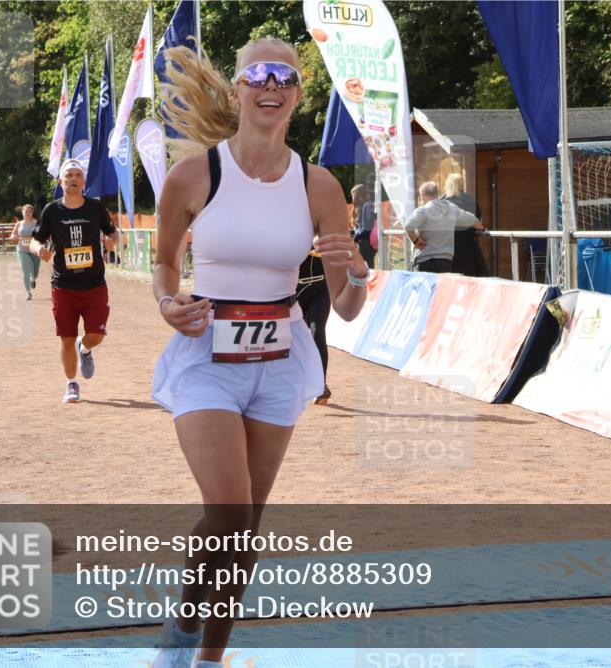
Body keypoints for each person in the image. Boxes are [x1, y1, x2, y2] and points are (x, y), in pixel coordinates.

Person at [149, 38, 368, 668]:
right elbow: (165, 263)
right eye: (258, 75)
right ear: (239, 88)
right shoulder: (194, 175)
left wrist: (355, 271)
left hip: (279, 360)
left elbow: (346, 307)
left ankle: (211, 660)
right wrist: (168, 303)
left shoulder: (320, 186)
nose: (271, 85)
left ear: (299, 95)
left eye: (286, 76)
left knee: (244, 528)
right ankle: (175, 649)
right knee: (228, 512)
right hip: (205, 354)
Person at [33, 159, 118, 403]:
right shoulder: (52, 210)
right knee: (66, 337)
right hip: (64, 286)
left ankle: (86, 348)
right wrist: (39, 249)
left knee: (96, 335)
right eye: (68, 175)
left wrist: (113, 239)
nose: (72, 179)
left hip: (94, 285)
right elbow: (34, 240)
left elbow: (112, 231)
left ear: (83, 181)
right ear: (61, 181)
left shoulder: (95, 208)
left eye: (77, 175)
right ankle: (71, 384)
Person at [404, 181, 484, 274]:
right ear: (437, 193)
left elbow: (408, 226)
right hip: (445, 262)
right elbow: (474, 221)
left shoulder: (423, 210)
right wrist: (483, 228)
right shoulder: (452, 209)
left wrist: (416, 241)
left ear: (422, 195)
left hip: (425, 261)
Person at [296, 249, 332, 404]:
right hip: (293, 289)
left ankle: (321, 385)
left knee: (317, 331)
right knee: (294, 338)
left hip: (320, 287)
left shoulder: (324, 226)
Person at [443, 173, 488, 276]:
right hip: (468, 249)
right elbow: (478, 221)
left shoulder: (443, 201)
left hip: (447, 250)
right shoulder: (470, 200)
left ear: (448, 185)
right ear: (462, 184)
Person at [9, 204, 41, 300]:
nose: (28, 213)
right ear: (22, 212)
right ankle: (28, 293)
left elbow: (41, 235)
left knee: (35, 272)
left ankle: (33, 279)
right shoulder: (19, 224)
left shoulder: (36, 223)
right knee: (25, 270)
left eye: (30, 211)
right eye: (26, 211)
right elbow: (13, 234)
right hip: (22, 250)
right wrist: (13, 237)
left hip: (34, 250)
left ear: (32, 213)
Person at [351, 183, 375, 268]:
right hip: (362, 242)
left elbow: (367, 229)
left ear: (359, 196)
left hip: (366, 244)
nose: (352, 198)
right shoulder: (361, 207)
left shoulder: (367, 206)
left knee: (367, 268)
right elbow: (361, 227)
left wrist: (355, 237)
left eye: (353, 196)